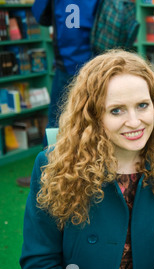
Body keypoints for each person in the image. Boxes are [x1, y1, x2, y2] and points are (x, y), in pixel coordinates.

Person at [20, 50, 154, 269]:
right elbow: (40, 265)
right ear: (92, 116)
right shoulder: (54, 166)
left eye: (142, 105)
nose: (134, 121)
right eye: (116, 110)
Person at [16, 0, 100, 187]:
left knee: (57, 120)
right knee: (96, 117)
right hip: (98, 62)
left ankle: (46, 173)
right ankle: (92, 170)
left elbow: (40, 15)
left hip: (70, 65)